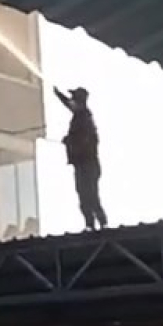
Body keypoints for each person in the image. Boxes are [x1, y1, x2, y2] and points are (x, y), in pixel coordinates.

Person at [55, 86, 108, 230]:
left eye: (74, 99)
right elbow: (68, 104)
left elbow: (84, 140)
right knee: (85, 196)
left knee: (89, 196)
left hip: (87, 165)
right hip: (84, 165)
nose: (71, 101)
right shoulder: (81, 115)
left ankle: (100, 224)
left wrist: (69, 141)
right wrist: (58, 94)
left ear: (79, 101)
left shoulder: (83, 118)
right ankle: (93, 224)